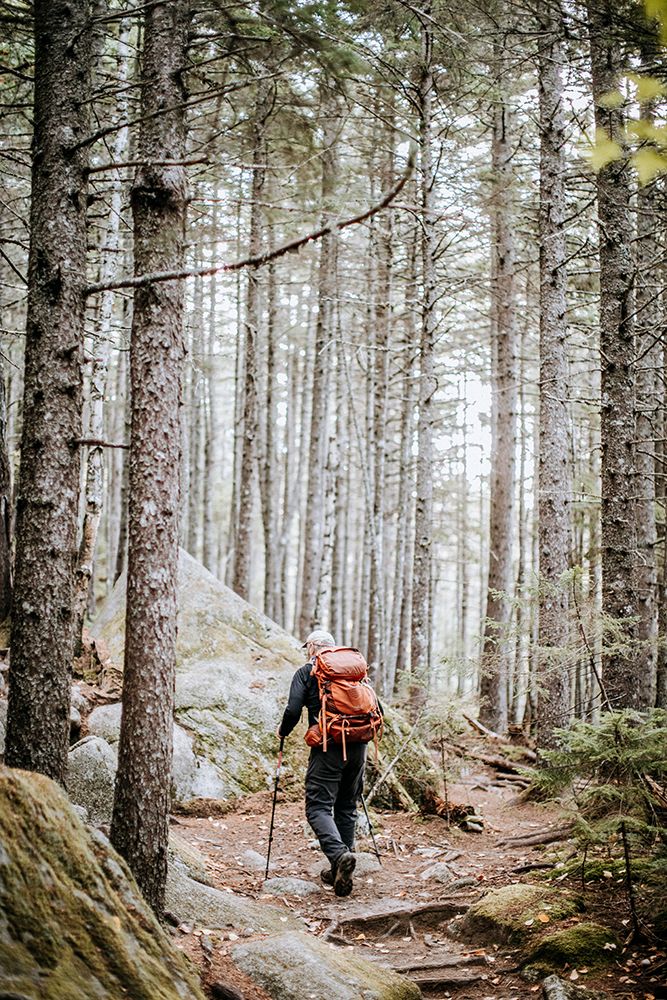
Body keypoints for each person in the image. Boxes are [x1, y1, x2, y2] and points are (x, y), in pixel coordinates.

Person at [277, 628, 365, 897]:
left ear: (313, 647)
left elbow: (293, 709)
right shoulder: (353, 671)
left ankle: (339, 856)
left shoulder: (307, 672)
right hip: (359, 744)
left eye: (307, 647)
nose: (307, 651)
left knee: (318, 806)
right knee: (347, 805)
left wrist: (283, 732)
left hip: (328, 745)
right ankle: (339, 865)